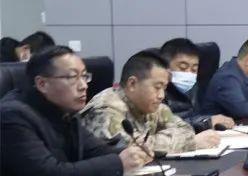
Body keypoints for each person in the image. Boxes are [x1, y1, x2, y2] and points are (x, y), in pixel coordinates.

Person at [0, 46, 152, 176]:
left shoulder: (65, 111)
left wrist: (133, 153)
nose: (83, 86)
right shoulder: (13, 116)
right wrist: (119, 163)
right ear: (42, 84)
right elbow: (50, 175)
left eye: (84, 76)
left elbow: (96, 151)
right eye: (73, 77)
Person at [81, 50, 221, 155]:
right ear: (132, 84)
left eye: (164, 88)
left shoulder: (152, 105)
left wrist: (156, 141)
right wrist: (190, 143)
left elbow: (185, 129)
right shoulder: (105, 110)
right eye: (157, 87)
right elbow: (134, 150)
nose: (161, 95)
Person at [160, 38, 234, 133]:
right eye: (183, 68)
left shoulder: (194, 87)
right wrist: (205, 122)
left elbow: (194, 117)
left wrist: (212, 119)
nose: (189, 74)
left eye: (194, 69)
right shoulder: (156, 92)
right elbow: (164, 127)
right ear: (164, 67)